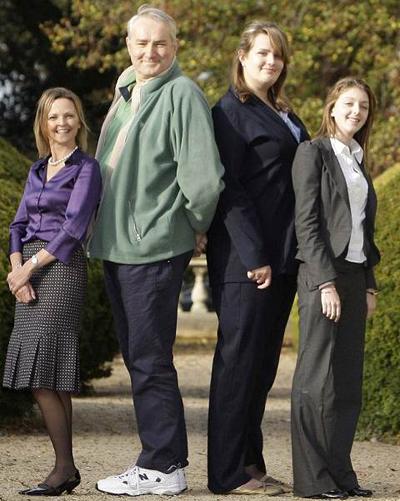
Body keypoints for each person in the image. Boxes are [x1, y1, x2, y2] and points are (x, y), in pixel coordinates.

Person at [88, 4, 224, 497]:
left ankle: (163, 466)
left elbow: (203, 181)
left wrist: (192, 227)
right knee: (139, 357)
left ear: (175, 46)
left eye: (160, 43)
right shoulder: (128, 89)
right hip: (119, 246)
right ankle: (162, 462)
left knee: (149, 359)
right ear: (128, 45)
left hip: (152, 247)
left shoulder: (182, 93)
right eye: (142, 42)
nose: (151, 51)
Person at [206, 20, 309, 495]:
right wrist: (254, 256)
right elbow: (229, 188)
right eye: (263, 53)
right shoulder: (229, 112)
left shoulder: (283, 111)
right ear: (242, 56)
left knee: (261, 368)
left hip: (283, 258)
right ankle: (227, 475)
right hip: (247, 262)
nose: (271, 61)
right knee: (238, 366)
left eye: (278, 55)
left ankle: (251, 464)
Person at [3, 87, 102, 496]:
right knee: (52, 377)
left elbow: (74, 227)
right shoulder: (37, 168)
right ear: (43, 124)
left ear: (79, 121)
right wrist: (16, 270)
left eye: (69, 115)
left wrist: (28, 268)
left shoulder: (87, 168)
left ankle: (63, 468)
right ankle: (67, 469)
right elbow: (17, 225)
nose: (62, 123)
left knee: (43, 373)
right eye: (53, 117)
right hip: (27, 268)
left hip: (60, 267)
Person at [291, 77, 380, 499]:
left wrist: (369, 285)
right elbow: (307, 223)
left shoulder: (358, 159)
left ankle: (341, 474)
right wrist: (325, 281)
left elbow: (364, 231)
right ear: (331, 107)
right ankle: (313, 481)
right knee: (316, 380)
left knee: (347, 383)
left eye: (363, 106)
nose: (356, 112)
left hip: (355, 275)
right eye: (348, 103)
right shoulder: (313, 153)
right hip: (321, 276)